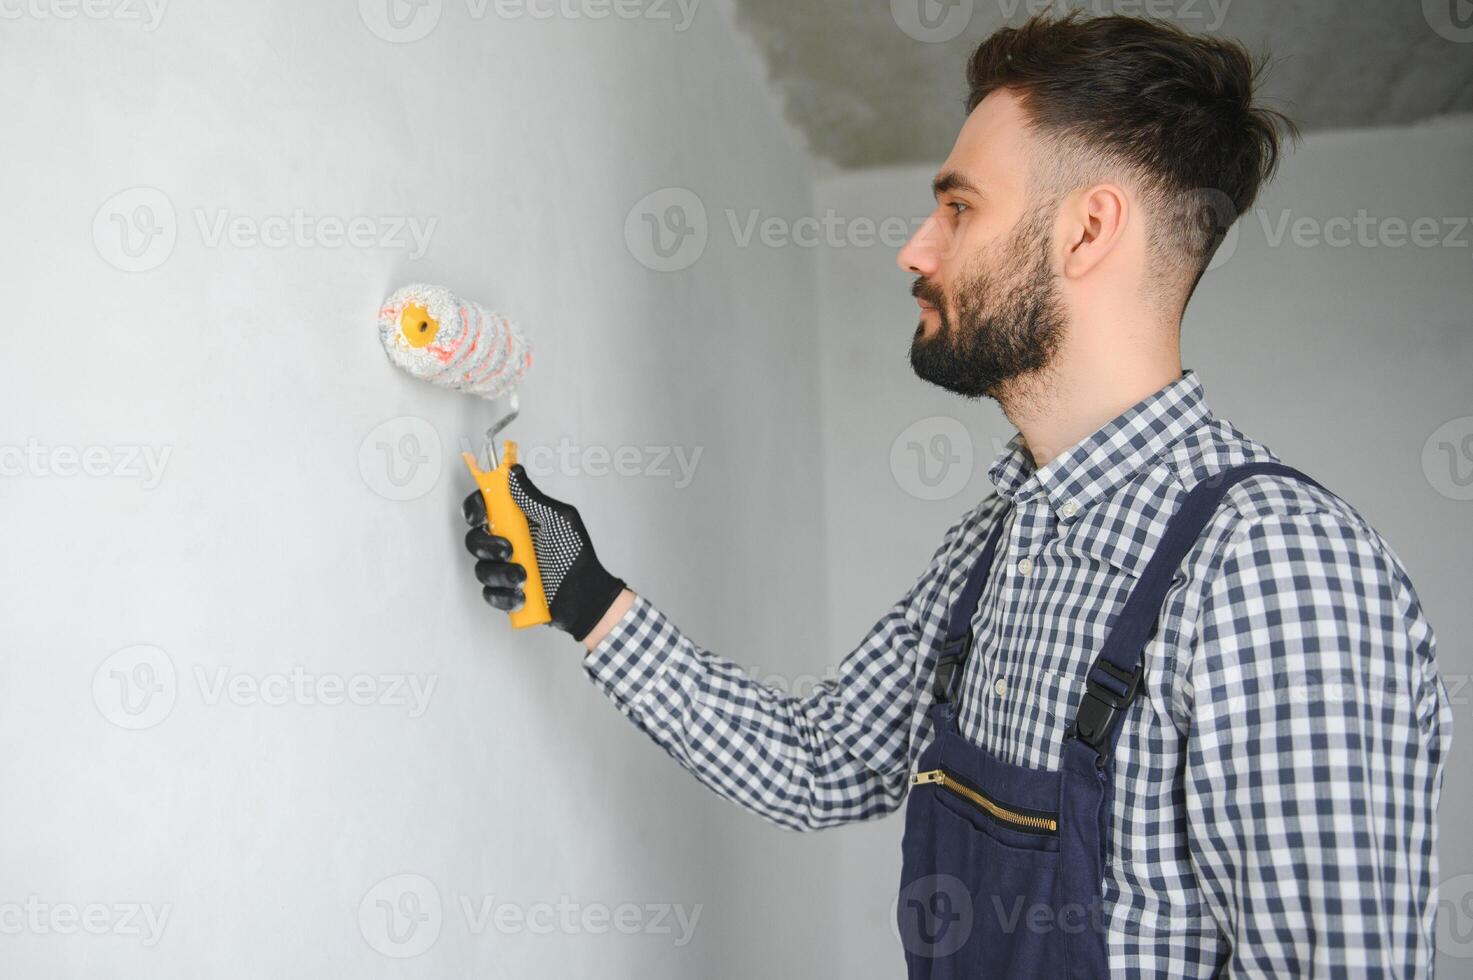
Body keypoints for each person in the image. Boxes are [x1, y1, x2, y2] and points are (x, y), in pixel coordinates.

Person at [462, 12, 1451, 977]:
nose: (916, 248)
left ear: (1089, 228)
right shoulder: (1003, 536)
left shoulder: (1276, 570)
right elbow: (824, 760)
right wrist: (585, 593)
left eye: (960, 206)